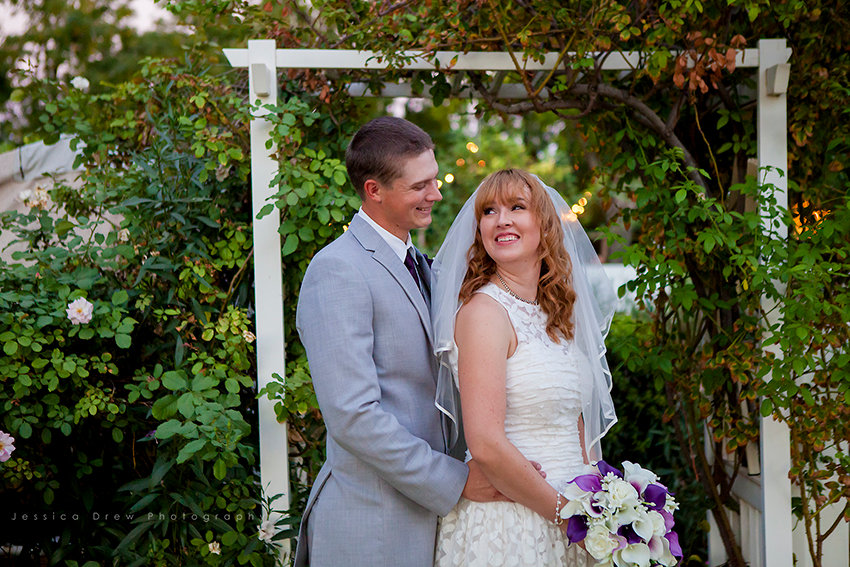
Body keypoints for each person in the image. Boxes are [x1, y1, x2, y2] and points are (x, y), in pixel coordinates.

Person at [294, 116, 507, 567]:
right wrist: (455, 481)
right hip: (372, 527)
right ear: (374, 190)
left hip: (434, 523)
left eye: (434, 179)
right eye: (420, 186)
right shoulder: (337, 270)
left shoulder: (423, 264)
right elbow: (353, 416)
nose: (436, 194)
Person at [431, 169, 619, 566]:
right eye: (489, 211)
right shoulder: (484, 312)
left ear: (545, 224)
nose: (501, 220)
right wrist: (569, 518)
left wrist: (605, 509)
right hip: (511, 523)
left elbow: (576, 421)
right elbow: (485, 445)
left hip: (577, 518)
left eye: (517, 207)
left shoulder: (557, 313)